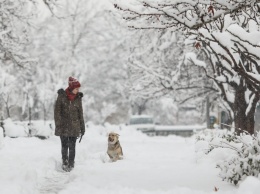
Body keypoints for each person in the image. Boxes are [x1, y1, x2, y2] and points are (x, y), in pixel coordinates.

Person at [54, 77, 85, 171]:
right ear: (71, 88)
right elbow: (57, 112)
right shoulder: (62, 96)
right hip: (63, 126)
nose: (77, 90)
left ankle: (71, 164)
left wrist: (82, 127)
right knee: (64, 146)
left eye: (78, 89)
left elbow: (80, 114)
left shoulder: (78, 98)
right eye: (76, 88)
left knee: (72, 147)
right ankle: (65, 162)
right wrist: (59, 123)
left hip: (74, 127)